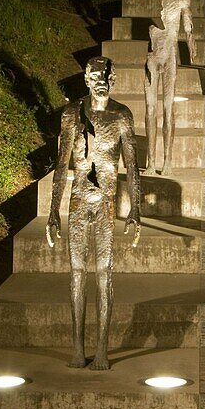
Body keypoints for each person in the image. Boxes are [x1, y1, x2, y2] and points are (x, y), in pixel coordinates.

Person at [46, 57, 141, 370]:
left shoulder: (121, 116)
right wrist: (52, 211)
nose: (100, 80)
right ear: (86, 79)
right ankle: (77, 347)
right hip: (77, 201)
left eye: (105, 75)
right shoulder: (72, 114)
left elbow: (131, 166)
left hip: (106, 202)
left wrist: (135, 208)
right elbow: (62, 164)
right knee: (77, 273)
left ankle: (101, 348)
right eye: (94, 75)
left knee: (104, 274)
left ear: (113, 79)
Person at [144, 0, 196, 175]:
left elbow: (187, 23)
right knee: (150, 109)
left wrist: (191, 44)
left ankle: (167, 161)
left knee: (167, 108)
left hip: (170, 54)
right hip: (153, 54)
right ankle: (150, 162)